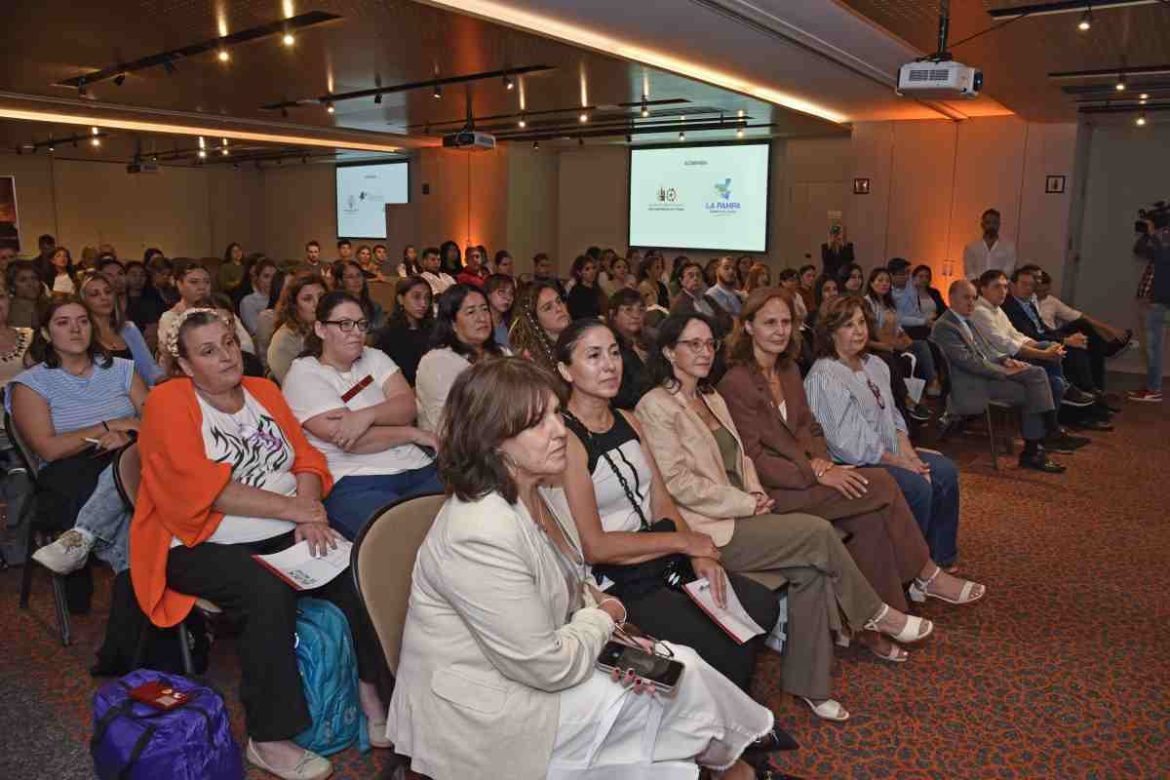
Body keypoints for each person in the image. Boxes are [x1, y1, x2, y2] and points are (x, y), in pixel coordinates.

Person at [387, 356, 790, 780]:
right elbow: (548, 665)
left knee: (671, 665)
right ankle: (742, 759)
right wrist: (605, 617)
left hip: (538, 658)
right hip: (488, 707)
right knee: (666, 696)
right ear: (493, 441)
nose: (560, 431)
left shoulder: (531, 490)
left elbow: (571, 582)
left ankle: (739, 758)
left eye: (555, 415)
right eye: (537, 423)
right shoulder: (479, 531)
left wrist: (614, 634)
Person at [635, 313, 937, 720]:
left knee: (810, 572)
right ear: (670, 351)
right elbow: (677, 484)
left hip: (745, 513)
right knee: (816, 533)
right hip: (708, 529)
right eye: (693, 344)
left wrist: (755, 493)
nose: (705, 352)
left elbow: (742, 459)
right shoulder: (655, 405)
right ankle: (872, 613)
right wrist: (744, 504)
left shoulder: (711, 397)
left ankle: (810, 686)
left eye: (709, 344)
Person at [128, 308, 389, 779]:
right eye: (208, 351)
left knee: (357, 568)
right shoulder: (169, 402)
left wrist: (310, 512)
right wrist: (296, 511)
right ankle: (269, 739)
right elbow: (201, 489)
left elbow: (307, 459)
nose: (226, 356)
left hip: (285, 526)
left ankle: (371, 695)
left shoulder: (264, 391)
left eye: (228, 343)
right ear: (185, 366)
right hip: (200, 541)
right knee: (266, 591)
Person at [723, 290, 979, 624]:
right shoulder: (736, 383)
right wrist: (815, 473)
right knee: (884, 483)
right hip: (777, 492)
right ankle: (927, 573)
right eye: (769, 322)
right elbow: (754, 458)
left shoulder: (787, 371)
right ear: (747, 327)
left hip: (810, 476)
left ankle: (886, 622)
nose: (780, 330)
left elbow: (812, 428)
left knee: (869, 517)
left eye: (786, 322)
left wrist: (822, 463)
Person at [554, 319, 780, 692]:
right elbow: (595, 545)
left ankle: (725, 717)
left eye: (614, 352)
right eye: (593, 356)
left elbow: (663, 502)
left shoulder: (629, 419)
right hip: (622, 578)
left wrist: (698, 554)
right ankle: (719, 735)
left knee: (760, 606)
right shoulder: (566, 439)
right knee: (724, 644)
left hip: (664, 558)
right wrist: (684, 543)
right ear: (565, 370)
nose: (610, 364)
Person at [799, 295, 969, 571]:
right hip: (854, 463)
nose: (859, 331)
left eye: (862, 322)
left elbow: (894, 417)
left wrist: (910, 454)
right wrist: (901, 462)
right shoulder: (823, 377)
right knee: (917, 487)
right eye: (848, 325)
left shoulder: (875, 365)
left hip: (889, 453)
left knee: (945, 471)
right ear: (830, 332)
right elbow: (847, 444)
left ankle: (940, 558)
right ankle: (912, 569)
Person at [9, 298, 147, 612]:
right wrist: (108, 426)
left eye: (82, 321)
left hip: (130, 456)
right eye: (63, 322)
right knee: (132, 500)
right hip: (69, 472)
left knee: (134, 475)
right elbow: (48, 448)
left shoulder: (122, 369)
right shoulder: (30, 384)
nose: (75, 329)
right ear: (45, 331)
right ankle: (145, 595)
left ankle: (82, 536)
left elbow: (154, 420)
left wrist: (128, 435)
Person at [283, 292, 441, 539]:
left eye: (361, 324)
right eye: (344, 324)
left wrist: (364, 416)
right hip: (356, 480)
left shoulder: (374, 357)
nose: (356, 332)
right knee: (403, 538)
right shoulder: (304, 374)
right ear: (321, 329)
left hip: (416, 466)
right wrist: (411, 432)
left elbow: (407, 406)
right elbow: (352, 441)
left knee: (462, 520)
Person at [931, 280, 1069, 473]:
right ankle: (1041, 439)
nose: (971, 303)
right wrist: (1003, 371)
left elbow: (987, 350)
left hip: (986, 375)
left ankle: (1038, 444)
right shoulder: (945, 326)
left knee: (1036, 376)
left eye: (973, 298)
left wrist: (1006, 361)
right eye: (966, 298)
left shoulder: (968, 320)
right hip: (969, 384)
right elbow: (968, 362)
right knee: (1034, 384)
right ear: (951, 298)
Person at [970, 270, 1097, 412]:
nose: (1003, 291)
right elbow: (1005, 344)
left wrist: (1041, 347)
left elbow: (1017, 335)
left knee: (1053, 361)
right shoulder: (981, 311)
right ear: (983, 289)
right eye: (997, 287)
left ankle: (1066, 399)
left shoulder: (997, 309)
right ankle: (1066, 399)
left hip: (1009, 353)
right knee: (1053, 367)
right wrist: (1043, 353)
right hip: (998, 360)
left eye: (1005, 287)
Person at [1001, 267, 1111, 428]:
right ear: (1012, 285)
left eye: (1031, 285)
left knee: (1079, 335)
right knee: (1070, 351)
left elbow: (1043, 329)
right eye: (1024, 284)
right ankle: (1087, 400)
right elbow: (1030, 335)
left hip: (1039, 341)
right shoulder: (1010, 306)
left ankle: (1091, 395)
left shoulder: (1028, 303)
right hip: (1029, 347)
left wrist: (1066, 339)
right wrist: (1065, 340)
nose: (1029, 289)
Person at [414, 284, 504, 433]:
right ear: (452, 323)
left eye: (485, 309)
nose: (482, 318)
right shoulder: (437, 362)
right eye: (470, 312)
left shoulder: (502, 352)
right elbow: (450, 427)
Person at [865, 267, 936, 415]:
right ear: (871, 283)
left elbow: (898, 326)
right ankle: (906, 398)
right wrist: (891, 344)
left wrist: (904, 338)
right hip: (875, 344)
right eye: (880, 280)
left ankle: (930, 384)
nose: (884, 284)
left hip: (892, 340)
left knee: (921, 346)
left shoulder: (889, 302)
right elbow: (871, 332)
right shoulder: (867, 303)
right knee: (894, 357)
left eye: (887, 281)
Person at [158, 262, 255, 362]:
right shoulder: (170, 318)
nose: (202, 287)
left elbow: (247, 346)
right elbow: (173, 357)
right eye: (194, 282)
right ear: (179, 284)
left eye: (207, 282)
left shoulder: (222, 310)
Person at [79, 273, 163, 386]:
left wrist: (167, 383)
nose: (104, 297)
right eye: (95, 294)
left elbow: (148, 367)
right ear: (84, 301)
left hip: (136, 394)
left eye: (108, 292)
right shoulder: (80, 334)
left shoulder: (128, 329)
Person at [1129, 215, 1170, 402]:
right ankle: (1151, 387)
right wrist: (1147, 234)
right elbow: (1139, 250)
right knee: (1150, 347)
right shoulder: (1161, 243)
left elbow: (1163, 258)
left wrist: (1154, 234)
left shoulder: (1164, 247)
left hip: (1159, 303)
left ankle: (1154, 390)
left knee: (1154, 348)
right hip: (1149, 301)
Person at [373, 276, 433, 386]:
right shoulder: (387, 335)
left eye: (427, 298)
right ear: (400, 299)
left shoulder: (434, 330)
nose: (423, 303)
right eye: (416, 297)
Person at [267, 272, 326, 384]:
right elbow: (296, 389)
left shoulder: (332, 327)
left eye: (321, 297)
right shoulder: (284, 341)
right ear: (294, 305)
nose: (317, 304)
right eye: (307, 299)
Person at [509, 280, 570, 373]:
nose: (558, 308)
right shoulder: (529, 359)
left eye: (559, 301)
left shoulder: (578, 340)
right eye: (548, 307)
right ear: (535, 319)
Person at [672, 261, 732, 336]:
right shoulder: (680, 302)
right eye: (691, 276)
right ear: (681, 281)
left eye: (698, 275)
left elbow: (727, 318)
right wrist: (718, 322)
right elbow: (700, 326)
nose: (695, 278)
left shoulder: (707, 298)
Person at [962, 208, 1017, 279]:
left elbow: (1009, 270)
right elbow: (969, 271)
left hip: (1000, 286)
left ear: (999, 225)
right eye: (988, 222)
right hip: (977, 286)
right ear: (982, 225)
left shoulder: (1009, 247)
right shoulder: (971, 247)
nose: (991, 226)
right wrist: (977, 284)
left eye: (995, 223)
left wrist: (996, 283)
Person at [334, 259, 386, 331]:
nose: (356, 280)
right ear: (340, 282)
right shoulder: (334, 308)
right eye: (350, 277)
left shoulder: (375, 307)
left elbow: (379, 333)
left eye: (359, 275)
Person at [239, 258, 278, 335]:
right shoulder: (248, 301)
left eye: (274, 277)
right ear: (256, 278)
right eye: (266, 276)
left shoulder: (281, 299)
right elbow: (256, 331)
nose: (271, 280)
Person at [6, 260, 49, 329]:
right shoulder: (14, 310)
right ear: (12, 287)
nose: (31, 284)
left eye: (34, 278)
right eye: (23, 280)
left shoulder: (43, 305)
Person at [566, 254, 607, 320]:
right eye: (587, 269)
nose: (592, 272)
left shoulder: (597, 288)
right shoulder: (576, 291)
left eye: (593, 268)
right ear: (579, 272)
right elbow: (576, 315)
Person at [484, 273, 515, 350]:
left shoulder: (512, 325)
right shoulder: (479, 325)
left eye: (511, 293)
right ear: (488, 294)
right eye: (501, 292)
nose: (508, 298)